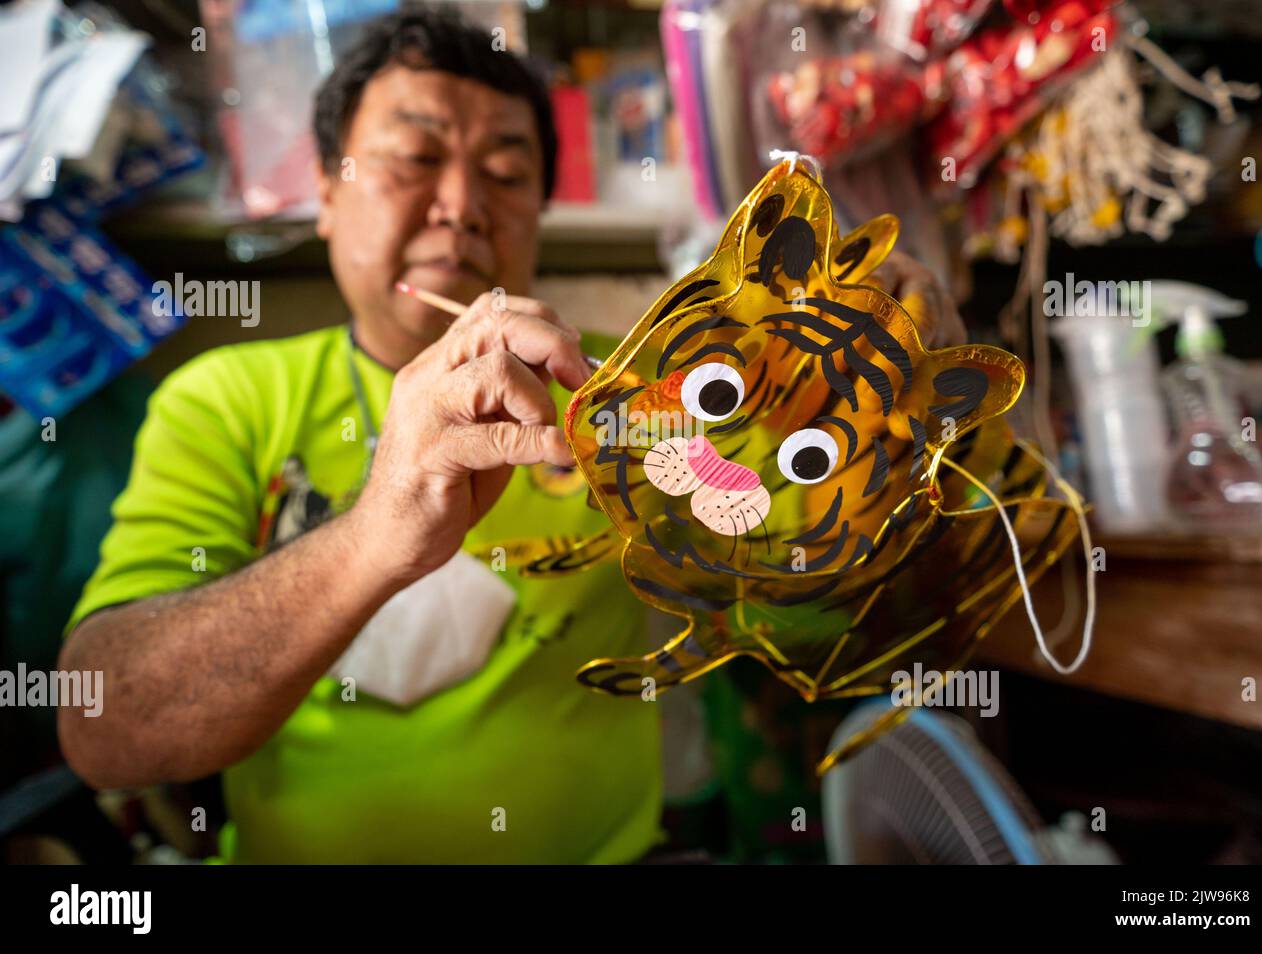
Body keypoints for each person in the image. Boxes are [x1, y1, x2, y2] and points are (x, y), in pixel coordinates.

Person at [57, 10, 962, 863]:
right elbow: (105, 729)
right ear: (327, 191)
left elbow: (855, 605)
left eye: (504, 171)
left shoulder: (644, 386)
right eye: (413, 158)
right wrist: (378, 532)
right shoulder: (225, 397)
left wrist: (894, 424)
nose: (461, 204)